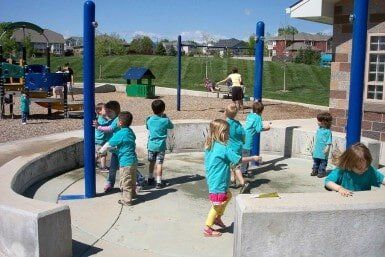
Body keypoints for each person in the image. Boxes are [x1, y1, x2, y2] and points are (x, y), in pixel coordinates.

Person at [203, 119, 261, 237]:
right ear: (218, 133)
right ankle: (207, 228)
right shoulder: (223, 148)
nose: (228, 134)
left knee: (228, 195)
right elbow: (239, 159)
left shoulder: (210, 145)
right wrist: (253, 158)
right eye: (225, 132)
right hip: (218, 181)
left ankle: (217, 218)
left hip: (214, 179)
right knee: (217, 204)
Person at [99, 111, 138, 206]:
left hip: (125, 162)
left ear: (120, 123)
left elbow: (109, 143)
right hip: (134, 160)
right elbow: (129, 141)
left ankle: (127, 200)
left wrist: (100, 152)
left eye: (117, 121)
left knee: (125, 181)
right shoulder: (130, 131)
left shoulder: (120, 133)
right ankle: (133, 194)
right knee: (132, 179)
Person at [146, 99, 174, 189]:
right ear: (163, 109)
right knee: (159, 164)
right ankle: (158, 182)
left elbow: (147, 127)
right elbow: (171, 126)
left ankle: (150, 178)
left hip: (151, 145)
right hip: (161, 146)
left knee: (151, 162)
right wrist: (166, 117)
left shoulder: (149, 119)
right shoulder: (165, 120)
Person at [94, 101, 121, 192]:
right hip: (114, 150)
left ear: (116, 111)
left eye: (109, 111)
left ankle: (139, 178)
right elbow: (106, 124)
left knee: (126, 165)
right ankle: (110, 182)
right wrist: (98, 124)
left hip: (121, 149)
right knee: (112, 168)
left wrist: (98, 127)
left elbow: (110, 128)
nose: (107, 113)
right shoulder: (111, 119)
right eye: (107, 111)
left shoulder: (117, 119)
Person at [241, 101, 270, 177]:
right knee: (246, 156)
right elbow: (258, 129)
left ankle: (240, 170)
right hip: (248, 139)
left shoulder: (250, 115)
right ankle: (243, 172)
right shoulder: (258, 117)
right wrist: (266, 128)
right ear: (261, 111)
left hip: (242, 137)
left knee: (243, 154)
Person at [225, 103, 249, 193]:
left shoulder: (226, 123)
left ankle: (243, 183)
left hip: (231, 148)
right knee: (232, 164)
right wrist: (242, 142)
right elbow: (243, 134)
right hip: (238, 146)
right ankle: (232, 180)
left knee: (235, 166)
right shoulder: (238, 123)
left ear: (226, 113)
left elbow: (223, 134)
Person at [311, 112, 333, 178]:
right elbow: (316, 139)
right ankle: (315, 170)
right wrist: (312, 146)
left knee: (323, 162)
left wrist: (327, 148)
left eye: (318, 121)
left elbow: (329, 141)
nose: (317, 122)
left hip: (323, 150)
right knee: (316, 161)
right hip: (317, 149)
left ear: (323, 122)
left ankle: (321, 172)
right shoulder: (319, 130)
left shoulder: (328, 131)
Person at [95, 103, 110, 173]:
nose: (107, 110)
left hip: (100, 139)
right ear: (100, 111)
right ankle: (103, 167)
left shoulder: (102, 118)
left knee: (99, 153)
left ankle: (93, 163)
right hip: (101, 140)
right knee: (103, 154)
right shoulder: (101, 120)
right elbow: (107, 126)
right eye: (105, 109)